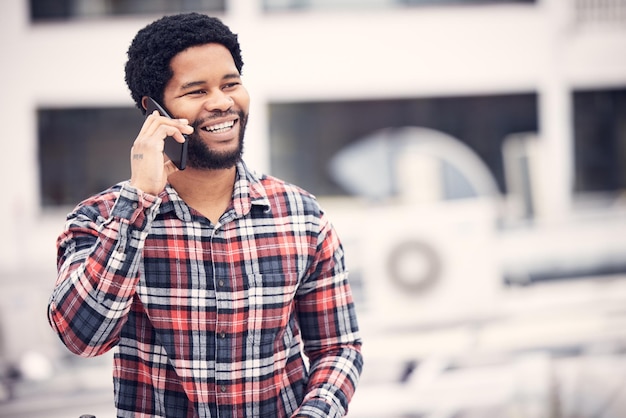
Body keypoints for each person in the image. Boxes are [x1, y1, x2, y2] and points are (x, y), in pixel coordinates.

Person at [47, 12, 363, 418]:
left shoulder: (302, 218)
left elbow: (338, 348)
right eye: (196, 91)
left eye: (230, 84)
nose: (221, 102)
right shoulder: (100, 219)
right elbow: (81, 338)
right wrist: (139, 201)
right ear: (154, 111)